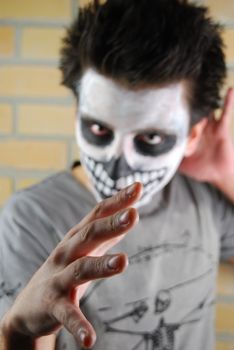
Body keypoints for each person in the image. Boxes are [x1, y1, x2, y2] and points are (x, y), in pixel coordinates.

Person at [1, 0, 234, 349]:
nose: (116, 164)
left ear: (193, 136)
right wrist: (18, 333)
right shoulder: (32, 217)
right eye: (98, 129)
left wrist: (226, 175)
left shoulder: (201, 196)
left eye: (150, 138)